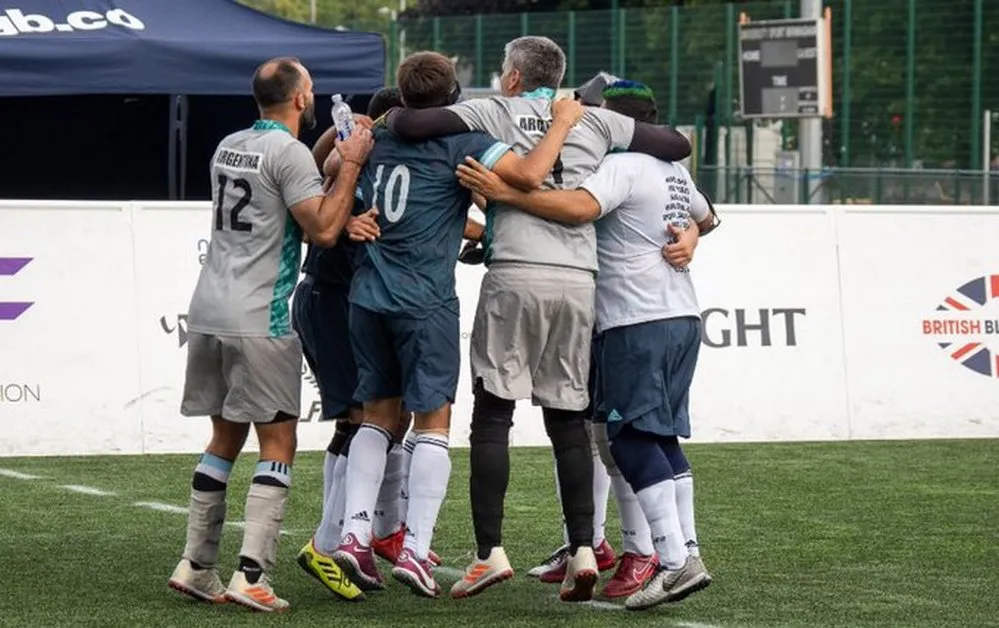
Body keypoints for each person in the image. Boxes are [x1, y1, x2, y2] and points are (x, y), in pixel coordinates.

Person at [386, 36, 693, 602]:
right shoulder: (595, 119)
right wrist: (589, 121)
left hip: (516, 273)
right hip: (579, 282)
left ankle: (489, 553)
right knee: (569, 421)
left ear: (512, 77)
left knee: (493, 415)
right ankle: (584, 549)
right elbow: (676, 143)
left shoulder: (493, 109)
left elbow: (407, 123)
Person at [456, 79, 716, 611]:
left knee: (626, 440)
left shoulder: (620, 166)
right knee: (651, 437)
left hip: (633, 318)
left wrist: (506, 194)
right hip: (681, 314)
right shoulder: (672, 169)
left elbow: (577, 208)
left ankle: (665, 558)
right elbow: (707, 217)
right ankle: (656, 548)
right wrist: (690, 235)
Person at [333, 50, 583, 600]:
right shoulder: (463, 140)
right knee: (433, 423)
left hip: (367, 295)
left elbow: (332, 168)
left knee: (376, 417)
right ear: (452, 96)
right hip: (425, 301)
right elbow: (530, 175)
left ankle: (354, 535)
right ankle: (416, 549)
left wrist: (353, 208)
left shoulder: (378, 135)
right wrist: (562, 124)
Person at [166, 56, 374, 613]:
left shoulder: (229, 144)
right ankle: (252, 575)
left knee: (224, 439)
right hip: (261, 317)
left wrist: (337, 192)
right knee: (278, 444)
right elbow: (321, 229)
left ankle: (196, 565)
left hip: (208, 311)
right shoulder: (288, 153)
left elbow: (282, 201)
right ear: (301, 97)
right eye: (312, 89)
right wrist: (351, 163)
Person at [295, 87, 432, 602]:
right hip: (331, 297)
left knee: (380, 418)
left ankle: (370, 532)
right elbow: (320, 183)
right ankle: (329, 544)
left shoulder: (369, 155)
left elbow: (318, 166)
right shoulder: (363, 156)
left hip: (344, 298)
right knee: (367, 419)